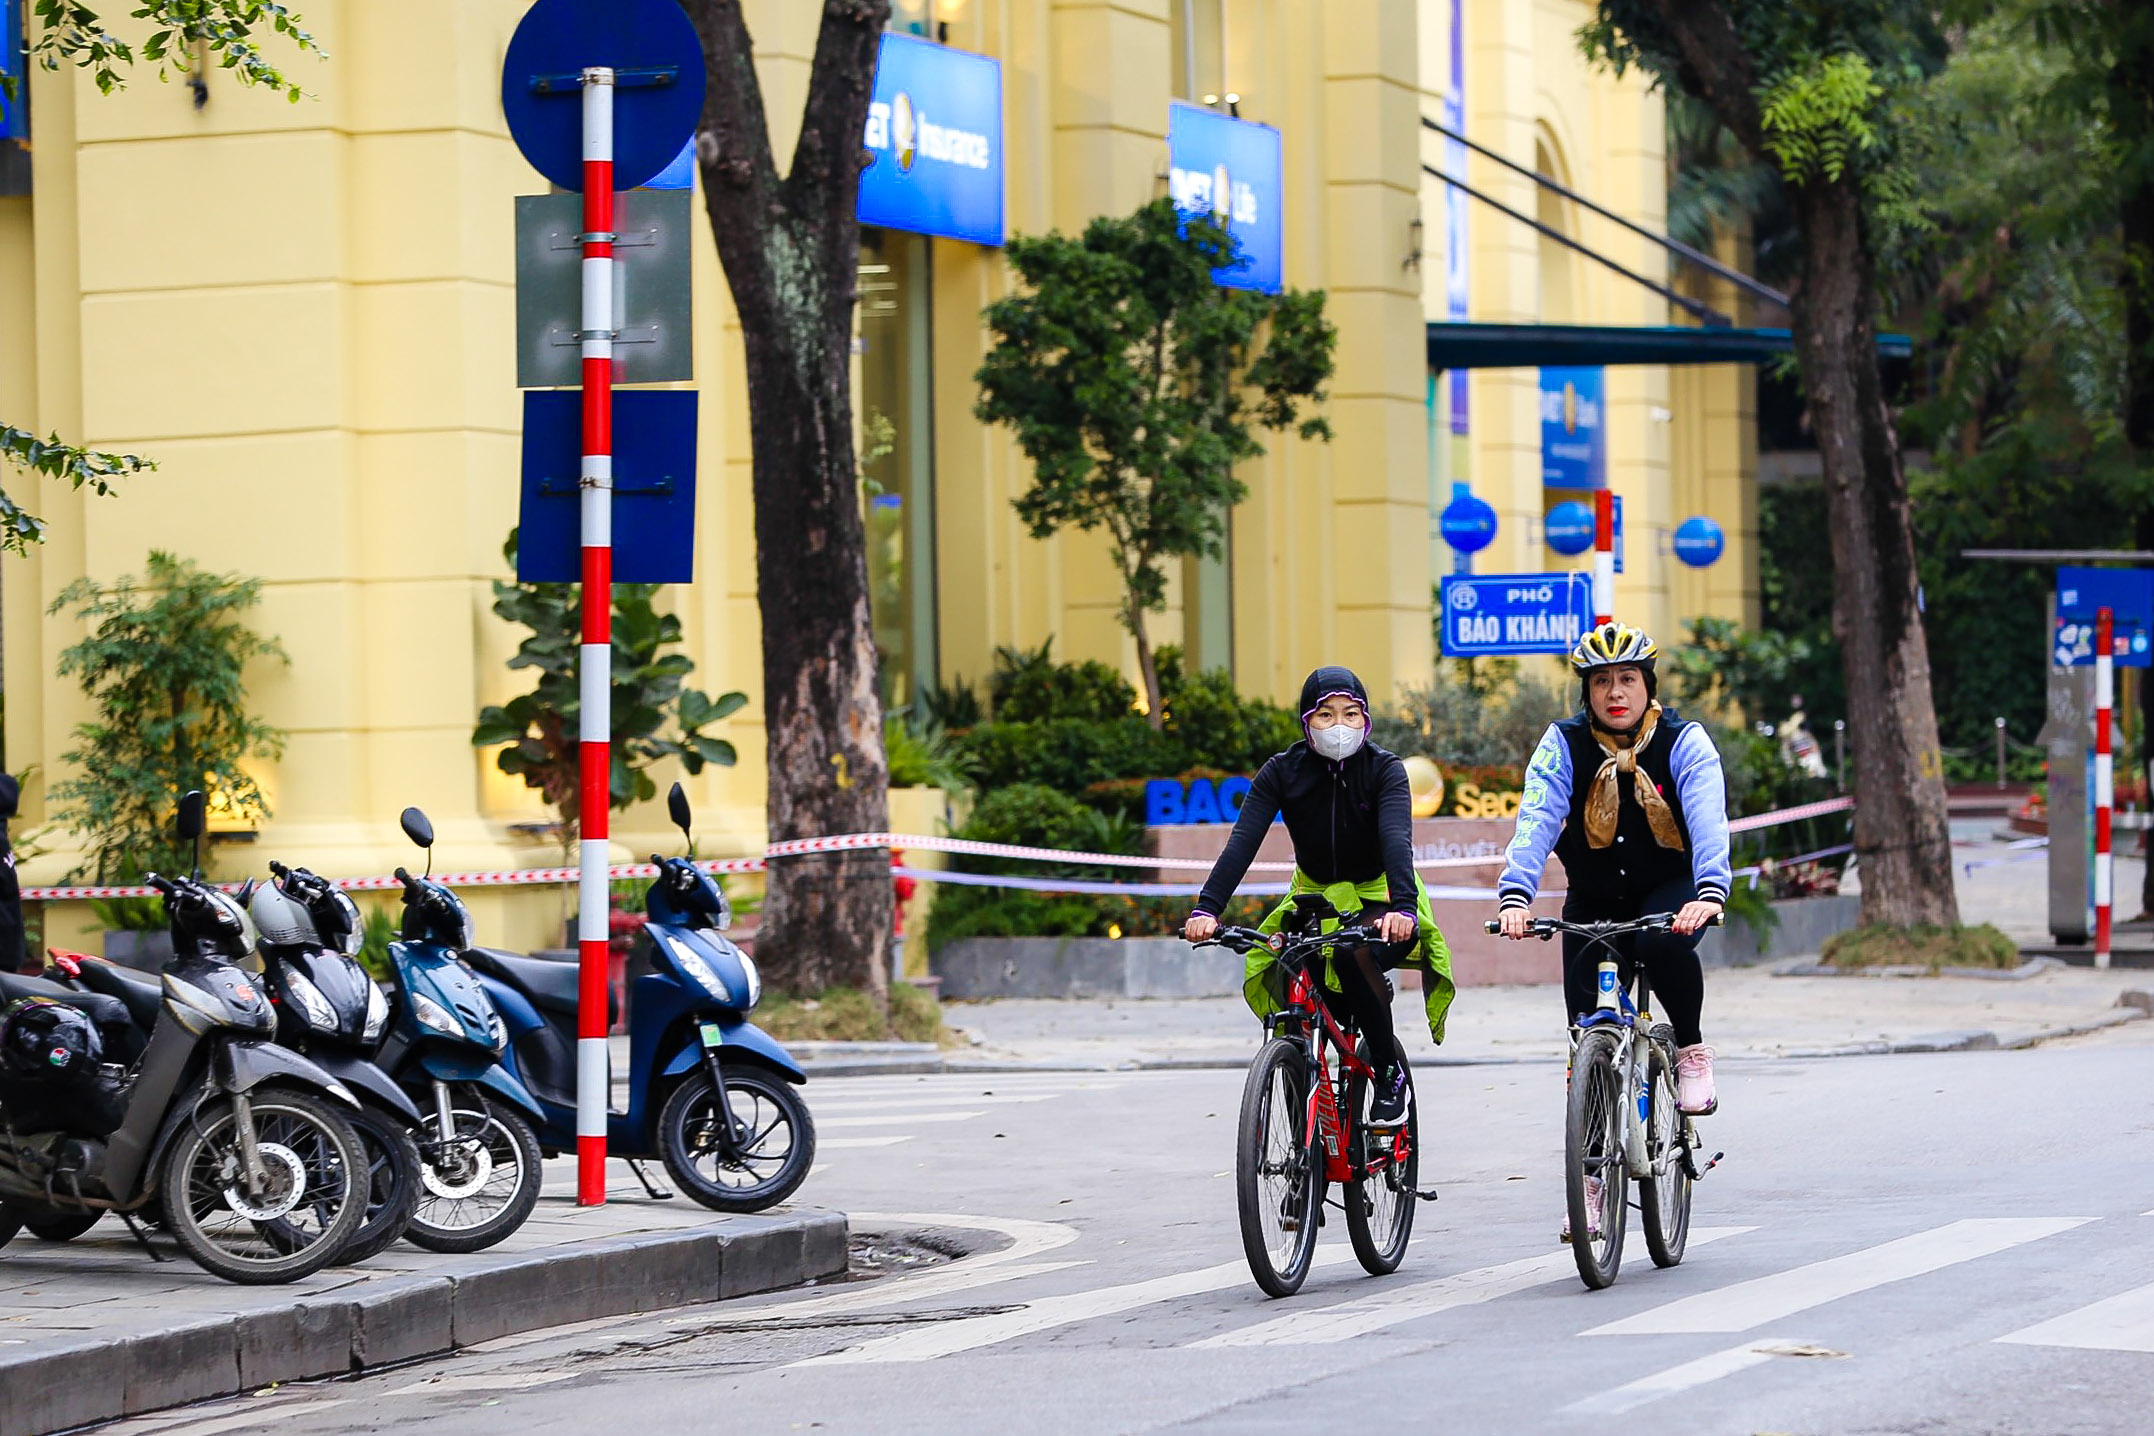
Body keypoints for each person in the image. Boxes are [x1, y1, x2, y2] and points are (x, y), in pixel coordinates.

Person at [1183, 666, 1454, 1127]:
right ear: (1307, 721)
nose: (1339, 725)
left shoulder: (1385, 769)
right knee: (1290, 970)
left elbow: (1396, 841)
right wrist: (1207, 908)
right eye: (1326, 715)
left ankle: (1388, 1074)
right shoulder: (1281, 771)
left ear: (1366, 720)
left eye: (1351, 714)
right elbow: (1242, 842)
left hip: (1381, 897)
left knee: (1351, 955)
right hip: (1312, 898)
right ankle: (1303, 1133)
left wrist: (1404, 909)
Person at [1496, 622, 1727, 1119]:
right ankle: (1594, 1149)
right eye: (1601, 681)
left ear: (1648, 685)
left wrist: (1709, 892)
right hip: (1594, 893)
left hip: (1671, 886)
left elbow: (1708, 818)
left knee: (1660, 944)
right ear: (1587, 691)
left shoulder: (1684, 741)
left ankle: (1690, 1050)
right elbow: (1536, 817)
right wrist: (1516, 895)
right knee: (1586, 1030)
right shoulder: (1563, 743)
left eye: (1627, 678)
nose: (1615, 692)